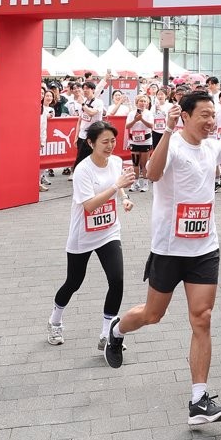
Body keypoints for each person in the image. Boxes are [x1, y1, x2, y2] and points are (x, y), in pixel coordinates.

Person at [104, 91, 221, 426]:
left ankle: (198, 400)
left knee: (202, 318)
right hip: (168, 249)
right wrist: (165, 130)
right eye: (204, 115)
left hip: (204, 250)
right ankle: (117, 330)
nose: (211, 121)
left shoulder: (213, 146)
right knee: (153, 314)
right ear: (187, 117)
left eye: (213, 115)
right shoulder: (174, 143)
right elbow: (152, 172)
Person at [47, 121, 135, 348]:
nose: (110, 146)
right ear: (91, 143)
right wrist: (117, 188)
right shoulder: (83, 170)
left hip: (109, 232)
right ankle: (55, 319)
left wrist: (124, 197)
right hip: (82, 235)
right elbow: (89, 206)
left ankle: (107, 333)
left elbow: (118, 183)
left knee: (117, 280)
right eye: (104, 142)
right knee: (74, 282)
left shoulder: (115, 162)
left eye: (113, 141)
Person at [126, 94, 154, 192]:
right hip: (134, 141)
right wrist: (135, 120)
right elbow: (127, 126)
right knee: (135, 163)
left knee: (144, 163)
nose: (142, 103)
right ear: (137, 102)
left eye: (144, 101)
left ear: (147, 103)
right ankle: (135, 182)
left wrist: (141, 119)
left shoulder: (149, 113)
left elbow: (151, 126)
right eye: (140, 101)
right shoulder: (131, 113)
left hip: (146, 141)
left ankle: (145, 183)